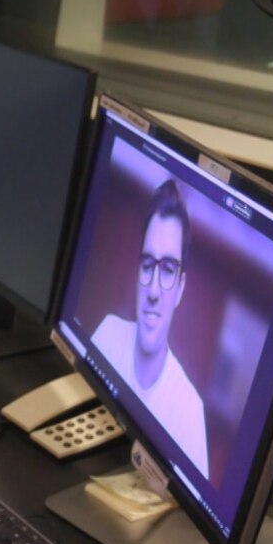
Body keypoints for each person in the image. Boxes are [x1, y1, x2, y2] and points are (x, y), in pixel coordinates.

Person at [91, 179, 209, 478]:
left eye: (168, 269)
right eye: (147, 265)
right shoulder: (106, 335)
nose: (154, 289)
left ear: (181, 288)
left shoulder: (189, 412)